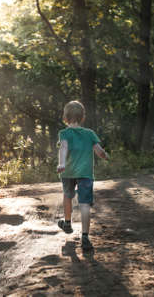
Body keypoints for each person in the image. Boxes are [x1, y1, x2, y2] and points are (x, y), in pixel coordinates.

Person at [56, 100, 109, 251]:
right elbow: (99, 151)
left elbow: (64, 147)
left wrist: (62, 164)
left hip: (68, 173)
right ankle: (85, 237)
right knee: (85, 204)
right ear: (82, 117)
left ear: (65, 117)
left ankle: (67, 223)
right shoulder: (90, 133)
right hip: (85, 174)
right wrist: (105, 156)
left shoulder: (64, 133)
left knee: (68, 196)